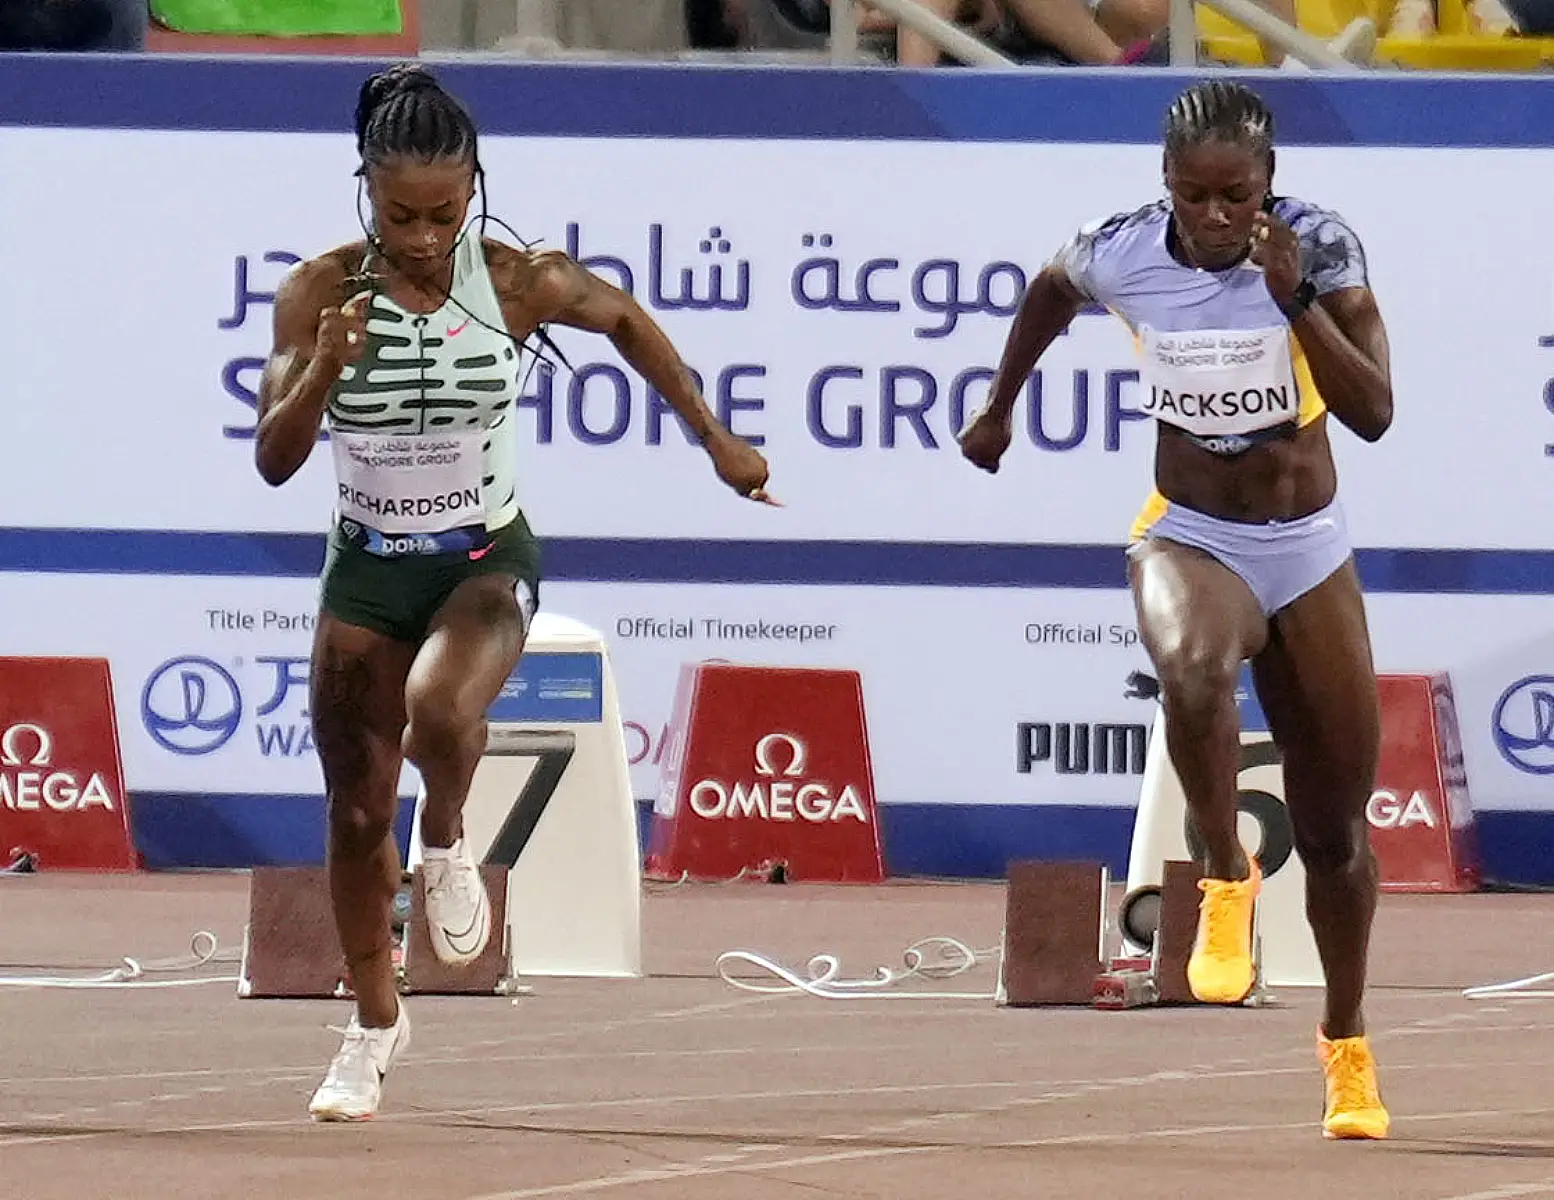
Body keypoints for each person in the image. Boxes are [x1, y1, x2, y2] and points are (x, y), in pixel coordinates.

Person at [254, 62, 775, 1122]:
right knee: (355, 817)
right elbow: (273, 458)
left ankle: (444, 839)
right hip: (366, 569)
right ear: (364, 187)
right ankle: (373, 1023)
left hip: (484, 560)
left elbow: (625, 321)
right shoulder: (317, 293)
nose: (421, 236)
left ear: (476, 187)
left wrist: (716, 440)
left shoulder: (518, 278)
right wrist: (322, 371)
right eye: (399, 214)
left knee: (442, 710)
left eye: (443, 212)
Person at [959, 79, 1393, 1141]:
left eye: (1235, 198)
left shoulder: (1321, 250)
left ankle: (1346, 1047)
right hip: (1188, 529)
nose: (1213, 219)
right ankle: (1225, 870)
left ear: (1267, 186)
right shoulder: (1124, 251)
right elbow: (1048, 293)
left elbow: (1375, 414)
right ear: (1165, 186)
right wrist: (997, 406)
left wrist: (1293, 301)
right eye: (1193, 196)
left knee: (1337, 834)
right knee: (1194, 667)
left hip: (1306, 546)